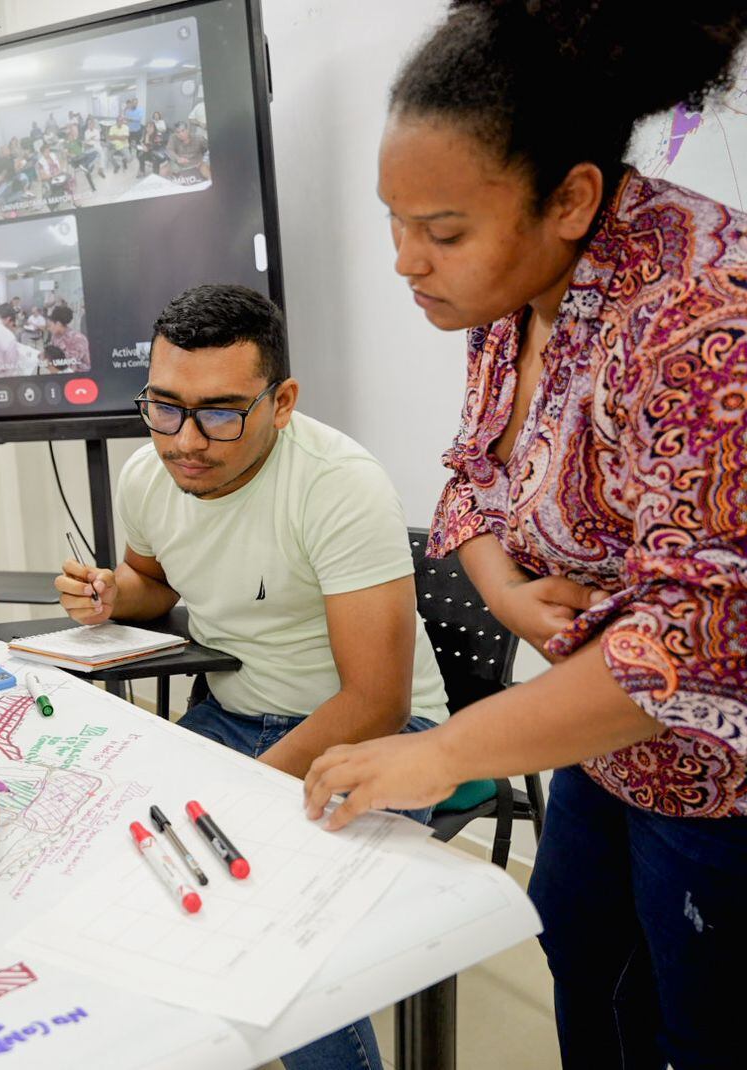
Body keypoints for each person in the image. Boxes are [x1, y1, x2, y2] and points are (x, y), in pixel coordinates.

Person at [303, 4, 747, 1068]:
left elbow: (692, 638)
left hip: (716, 774)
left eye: (442, 230)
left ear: (571, 197)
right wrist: (502, 588)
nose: (408, 261)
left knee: (695, 1025)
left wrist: (440, 752)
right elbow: (470, 478)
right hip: (597, 740)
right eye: (395, 222)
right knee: (580, 954)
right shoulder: (508, 298)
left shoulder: (700, 321)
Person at [55, 284, 449, 1070]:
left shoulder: (339, 485)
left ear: (283, 402)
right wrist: (112, 596)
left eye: (221, 413)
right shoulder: (149, 473)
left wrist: (244, 798)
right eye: (164, 408)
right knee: (106, 854)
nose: (185, 443)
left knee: (265, 903)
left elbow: (377, 700)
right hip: (234, 715)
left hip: (378, 734)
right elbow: (155, 583)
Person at [46, 304, 90, 372]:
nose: (48, 328)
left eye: (50, 325)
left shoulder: (78, 339)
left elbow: (70, 364)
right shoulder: (55, 336)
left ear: (58, 324)